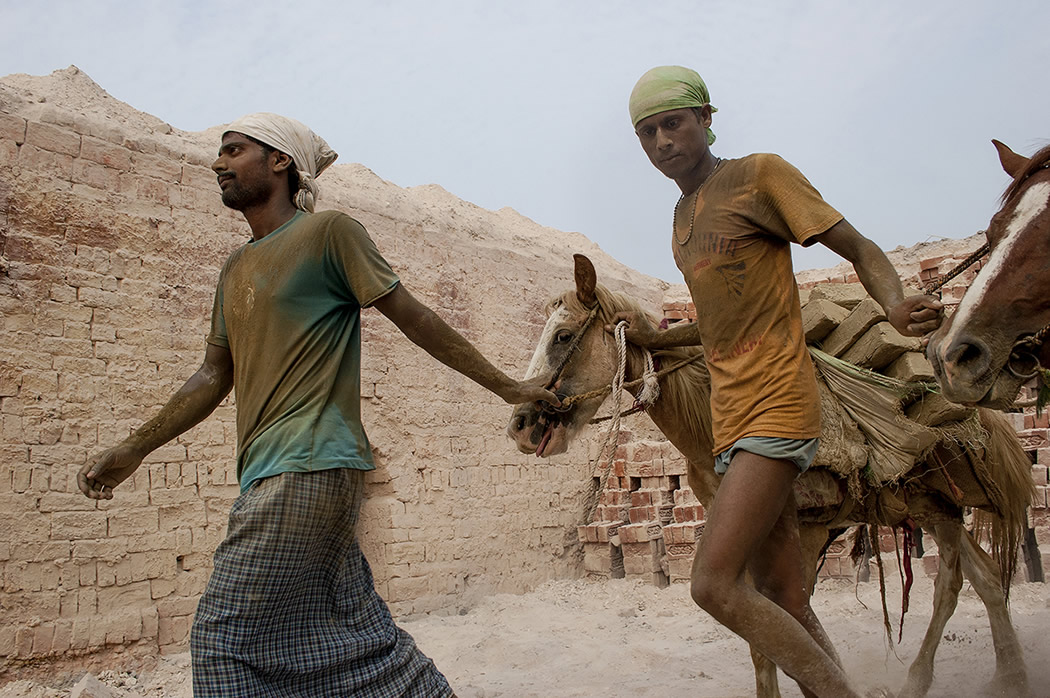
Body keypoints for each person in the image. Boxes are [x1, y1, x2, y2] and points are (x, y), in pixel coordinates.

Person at [77, 113, 558, 697]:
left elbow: (414, 317)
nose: (218, 163)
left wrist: (507, 386)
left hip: (305, 463)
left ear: (280, 161)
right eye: (220, 153)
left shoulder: (329, 233)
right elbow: (211, 375)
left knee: (221, 640)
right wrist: (134, 448)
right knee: (347, 636)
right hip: (274, 471)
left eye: (235, 150)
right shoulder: (235, 269)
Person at [612, 66, 942, 697]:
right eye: (647, 132)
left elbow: (858, 245)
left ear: (706, 118)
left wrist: (896, 306)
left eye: (673, 124)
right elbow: (716, 327)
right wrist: (653, 340)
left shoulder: (759, 175)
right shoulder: (681, 220)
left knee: (713, 583)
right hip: (728, 417)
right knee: (784, 595)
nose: (662, 142)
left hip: (777, 403)